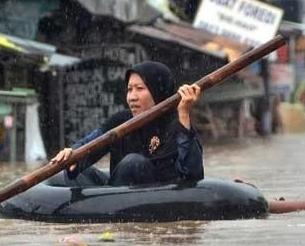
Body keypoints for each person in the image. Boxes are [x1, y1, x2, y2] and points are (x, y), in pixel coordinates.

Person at [50, 61, 204, 186]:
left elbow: (192, 174)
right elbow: (92, 142)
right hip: (116, 191)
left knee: (133, 163)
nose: (132, 97)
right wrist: (74, 153)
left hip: (156, 197)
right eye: (130, 89)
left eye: (140, 89)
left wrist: (184, 113)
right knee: (77, 171)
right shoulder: (122, 120)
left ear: (158, 90)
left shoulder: (175, 122)